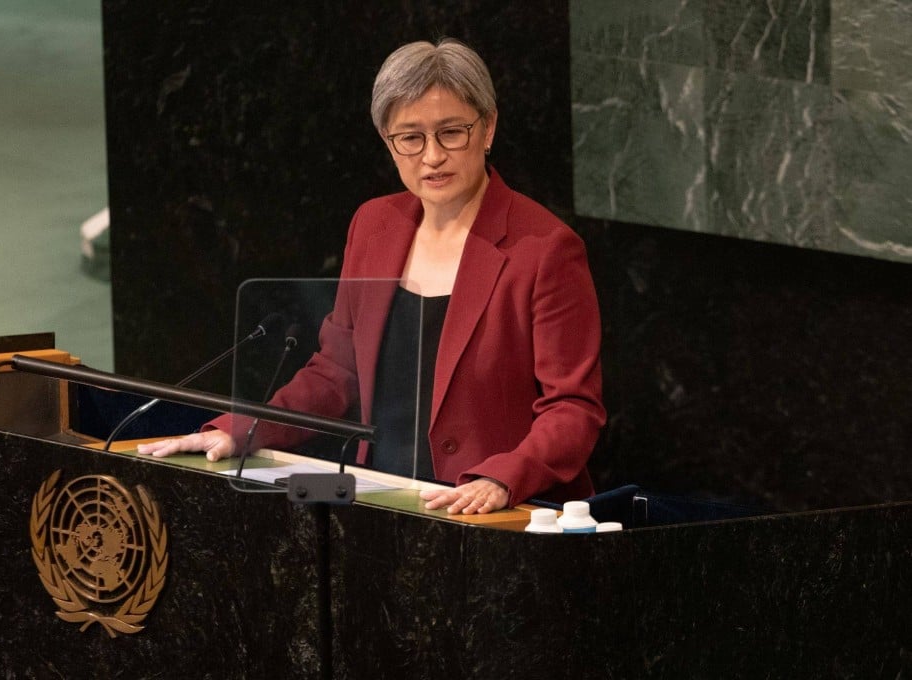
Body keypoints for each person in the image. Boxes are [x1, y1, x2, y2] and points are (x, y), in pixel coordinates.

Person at [139, 38, 605, 515]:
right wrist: (241, 429)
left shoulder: (545, 249)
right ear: (387, 140)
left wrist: (502, 479)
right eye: (410, 137)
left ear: (488, 128)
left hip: (498, 514)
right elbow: (337, 373)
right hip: (382, 502)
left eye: (451, 133)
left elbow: (573, 408)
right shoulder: (374, 225)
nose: (432, 156)